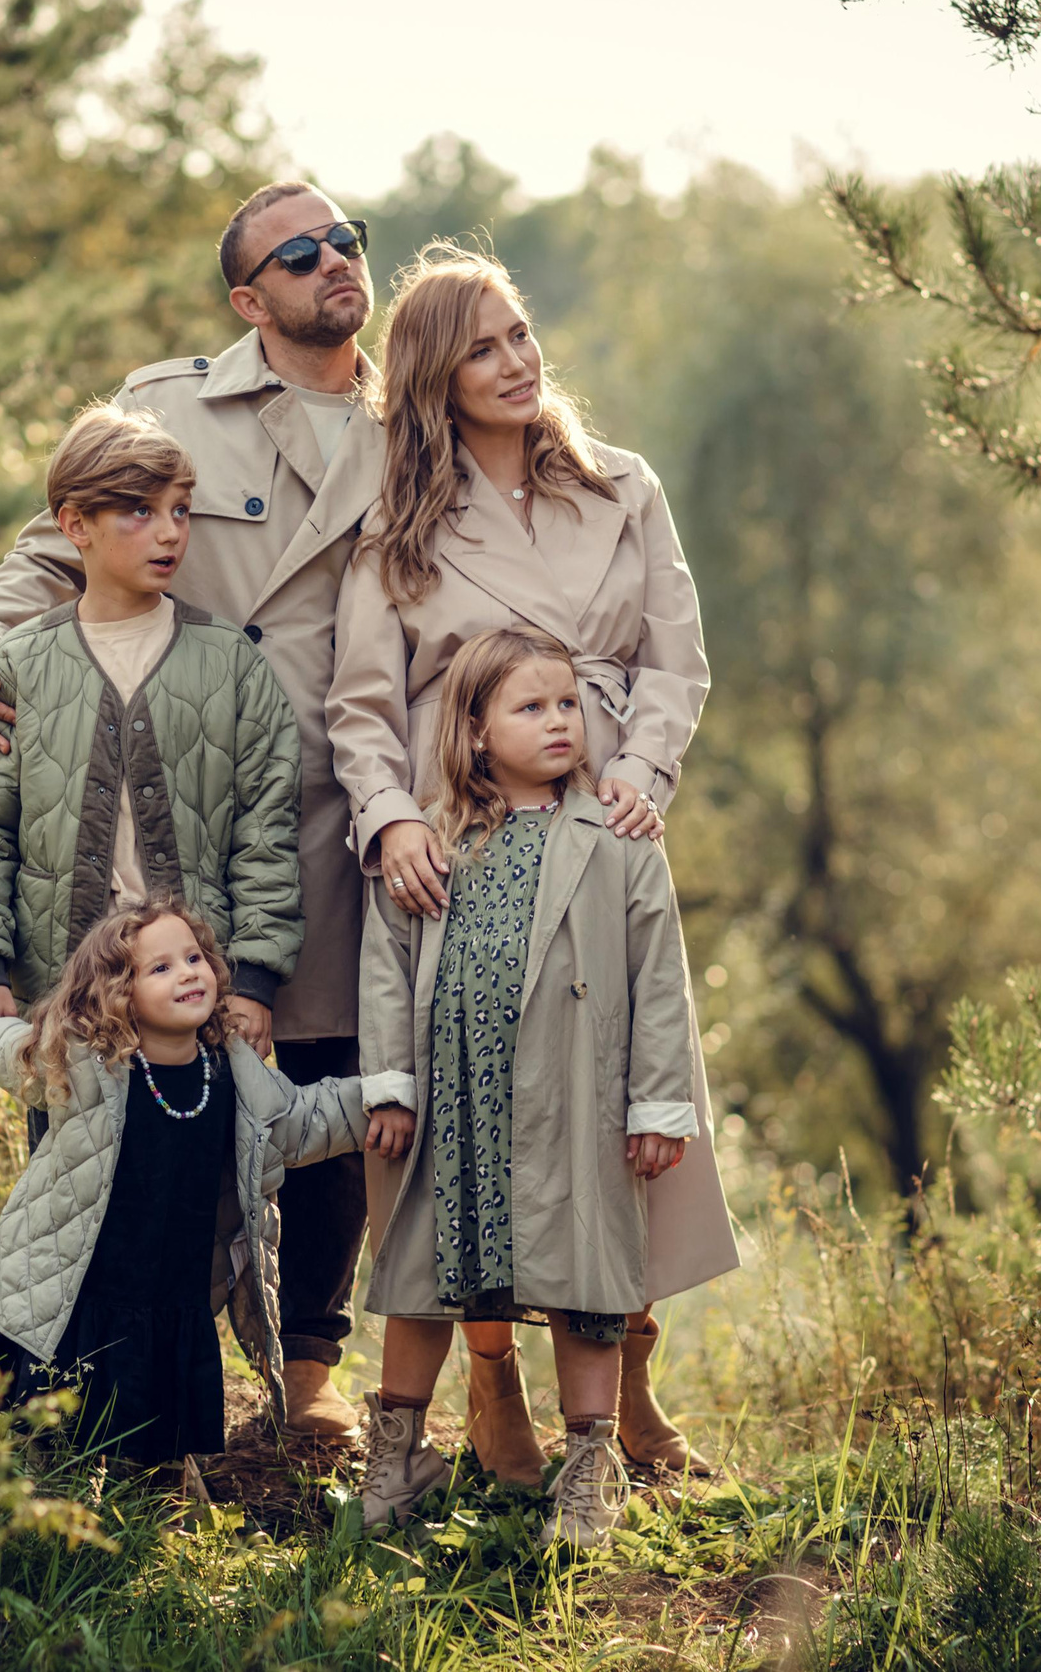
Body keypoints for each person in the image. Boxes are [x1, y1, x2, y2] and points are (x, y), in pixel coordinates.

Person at [0, 182, 382, 1440]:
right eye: (300, 252)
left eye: (347, 239)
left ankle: (308, 1368)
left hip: (337, 804)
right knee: (114, 1111)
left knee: (318, 1076)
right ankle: (95, 1372)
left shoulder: (412, 421)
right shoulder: (173, 407)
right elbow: (46, 551)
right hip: (178, 800)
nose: (335, 260)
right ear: (249, 298)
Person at [328, 244, 739, 1482]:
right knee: (475, 1104)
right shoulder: (399, 524)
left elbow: (676, 659)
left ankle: (626, 1391)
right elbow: (360, 703)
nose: (515, 362)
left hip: (605, 821)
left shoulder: (623, 485)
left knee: (613, 1094)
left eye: (519, 333)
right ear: (433, 380)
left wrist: (641, 772)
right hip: (460, 825)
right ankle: (491, 1377)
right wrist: (391, 819)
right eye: (481, 350)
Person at [354, 627, 721, 1549]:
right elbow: (386, 966)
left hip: (575, 1101)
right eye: (532, 707)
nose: (560, 720)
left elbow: (662, 982)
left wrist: (657, 1102)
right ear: (476, 729)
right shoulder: (429, 839)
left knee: (587, 1277)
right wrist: (391, 1085)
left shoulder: (618, 835)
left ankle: (589, 1470)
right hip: (457, 1104)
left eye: (568, 703)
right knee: (426, 1271)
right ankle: (396, 1461)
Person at [0, 897, 410, 1465]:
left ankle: (155, 1493)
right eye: (161, 967)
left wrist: (378, 1099)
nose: (187, 973)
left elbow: (302, 1120)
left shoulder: (232, 1071)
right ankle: (40, 1483)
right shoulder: (85, 1063)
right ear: (117, 991)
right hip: (85, 1287)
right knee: (52, 1432)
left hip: (177, 1289)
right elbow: (17, 1053)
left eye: (194, 958)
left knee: (156, 1439)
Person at [0, 405, 301, 1076]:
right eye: (140, 511)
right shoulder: (19, 667)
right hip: (63, 1007)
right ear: (75, 524)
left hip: (202, 1007)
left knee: (206, 1147)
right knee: (75, 1149)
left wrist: (254, 981)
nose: (169, 532)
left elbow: (266, 836)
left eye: (180, 510)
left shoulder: (231, 664)